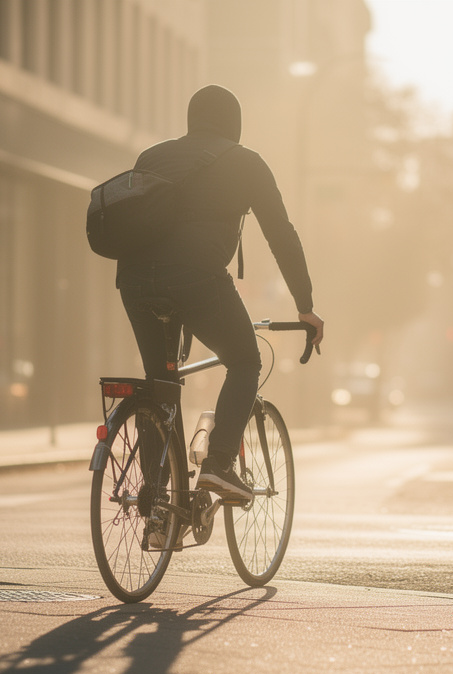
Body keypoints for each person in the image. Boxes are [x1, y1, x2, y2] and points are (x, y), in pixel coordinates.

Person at [118, 84, 324, 503]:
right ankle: (219, 464)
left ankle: (157, 503)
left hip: (135, 281)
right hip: (196, 279)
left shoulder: (153, 156)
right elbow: (281, 236)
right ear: (235, 123)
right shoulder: (246, 162)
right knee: (246, 361)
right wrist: (306, 307)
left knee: (159, 383)